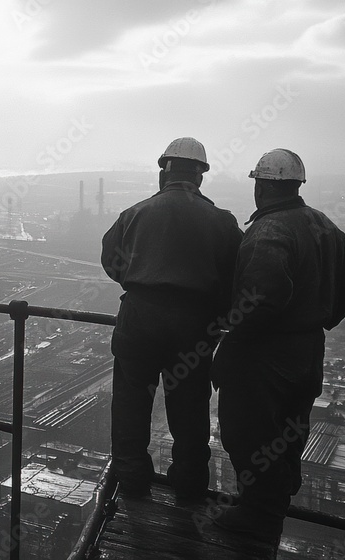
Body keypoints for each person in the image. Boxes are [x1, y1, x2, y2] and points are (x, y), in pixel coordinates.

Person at [210, 148, 345, 543]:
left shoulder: (269, 231)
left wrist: (232, 345)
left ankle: (258, 514)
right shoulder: (322, 224)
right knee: (288, 429)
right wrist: (326, 317)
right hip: (308, 349)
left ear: (261, 187)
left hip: (266, 353)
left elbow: (262, 296)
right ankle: (270, 505)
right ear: (296, 185)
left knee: (249, 430)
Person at [101, 137, 243, 499]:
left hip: (139, 321)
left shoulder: (135, 214)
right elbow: (237, 278)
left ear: (164, 170)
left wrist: (143, 284)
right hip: (192, 328)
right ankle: (190, 483)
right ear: (200, 174)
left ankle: (132, 479)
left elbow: (111, 262)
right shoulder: (222, 222)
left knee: (131, 406)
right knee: (190, 410)